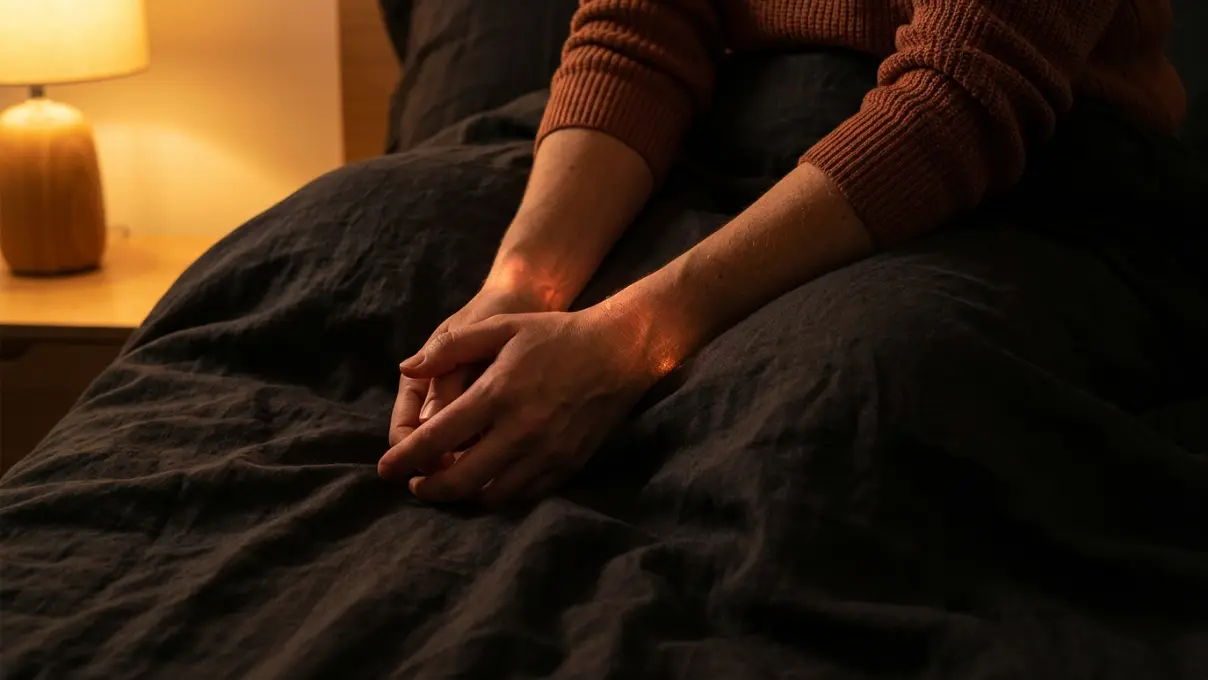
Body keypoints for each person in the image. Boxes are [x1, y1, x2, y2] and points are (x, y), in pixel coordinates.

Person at [378, 0, 1196, 505]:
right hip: (723, 138)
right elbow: (639, 32)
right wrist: (519, 289)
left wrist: (626, 343)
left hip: (1011, 182)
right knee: (365, 234)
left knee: (846, 398)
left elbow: (962, 93)